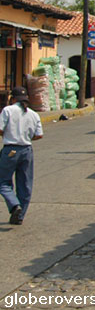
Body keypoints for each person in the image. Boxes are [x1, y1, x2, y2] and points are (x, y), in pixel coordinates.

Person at [0, 87, 43, 226]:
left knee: (3, 182)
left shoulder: (8, 110)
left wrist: (8, 134)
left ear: (13, 99)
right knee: (25, 184)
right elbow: (39, 135)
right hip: (27, 150)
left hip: (10, 149)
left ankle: (14, 205)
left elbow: (0, 129)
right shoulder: (33, 114)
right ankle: (20, 215)